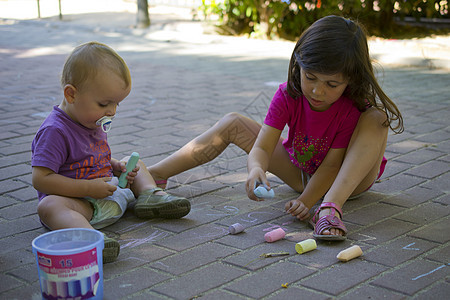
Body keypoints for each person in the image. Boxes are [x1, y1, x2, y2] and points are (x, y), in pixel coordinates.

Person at [147, 15, 403, 241]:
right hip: (303, 174)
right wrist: (256, 168)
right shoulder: (288, 94)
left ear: (351, 79)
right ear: (298, 65)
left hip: (347, 182)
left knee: (377, 118)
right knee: (233, 122)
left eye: (331, 84)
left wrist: (307, 202)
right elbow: (262, 146)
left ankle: (330, 208)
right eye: (310, 77)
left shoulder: (352, 106)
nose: (317, 90)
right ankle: (151, 176)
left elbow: (332, 165)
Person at [31, 42, 191, 263]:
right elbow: (41, 179)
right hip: (82, 206)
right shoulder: (54, 131)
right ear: (71, 94)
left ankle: (150, 196)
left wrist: (116, 166)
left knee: (132, 160)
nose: (112, 111)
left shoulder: (90, 119)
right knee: (48, 206)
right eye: (105, 103)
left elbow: (94, 157)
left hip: (109, 192)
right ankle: (90, 238)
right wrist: (87, 188)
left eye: (117, 104)